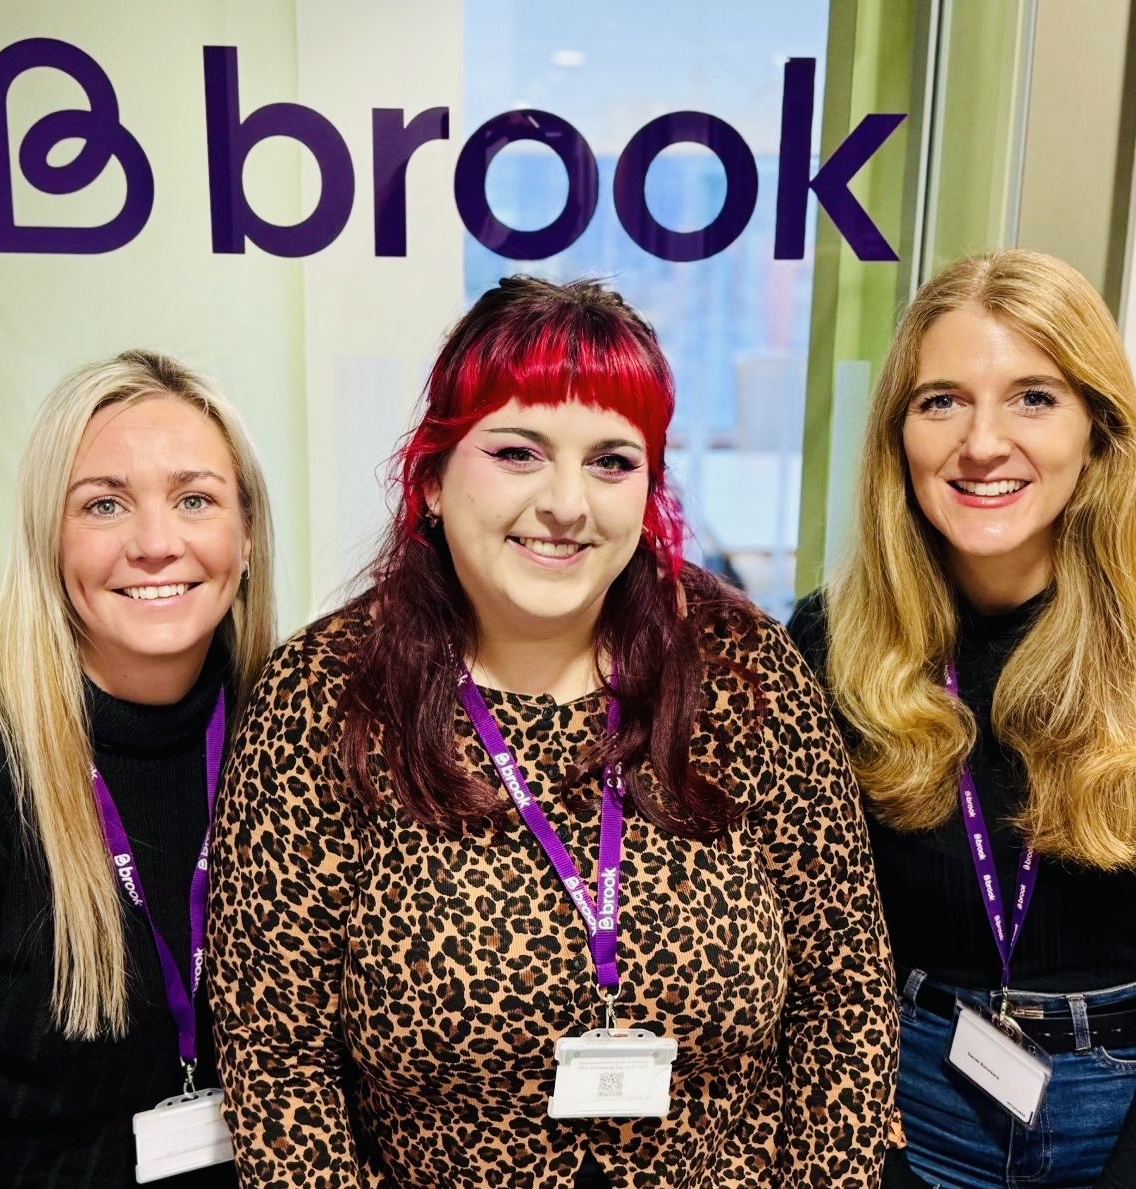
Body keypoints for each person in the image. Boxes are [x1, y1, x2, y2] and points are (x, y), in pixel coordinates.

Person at [208, 277, 900, 1187]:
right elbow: (276, 1059)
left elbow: (844, 992)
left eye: (611, 461)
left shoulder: (741, 672)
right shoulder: (328, 694)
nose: (567, 503)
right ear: (431, 479)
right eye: (518, 452)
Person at [0, 350, 275, 1186]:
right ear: (48, 541)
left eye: (195, 499)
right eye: (104, 504)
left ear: (245, 536)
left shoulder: (291, 734)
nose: (156, 544)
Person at [788, 249, 1136, 1188]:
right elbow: (807, 943)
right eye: (940, 401)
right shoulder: (830, 641)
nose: (981, 443)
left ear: (1097, 430)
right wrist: (869, 1153)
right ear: (897, 435)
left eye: (1033, 398)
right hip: (906, 1099)